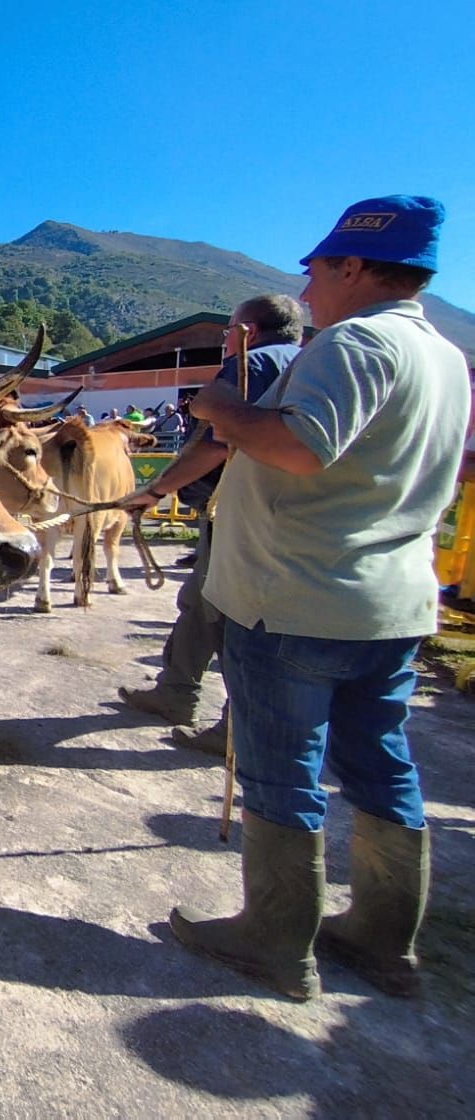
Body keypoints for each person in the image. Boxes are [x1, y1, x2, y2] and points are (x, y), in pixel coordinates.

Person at [165, 196, 464, 1001]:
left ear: (354, 266)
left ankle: (275, 943)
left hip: (297, 599)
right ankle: (383, 940)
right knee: (380, 767)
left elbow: (300, 448)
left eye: (318, 269)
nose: (306, 287)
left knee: (281, 777)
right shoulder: (444, 357)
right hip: (388, 604)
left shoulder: (356, 343)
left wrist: (221, 410)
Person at [116, 297, 303, 753]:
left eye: (227, 332)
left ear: (247, 332)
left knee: (231, 615)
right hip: (280, 516)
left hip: (239, 515)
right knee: (200, 602)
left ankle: (237, 726)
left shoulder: (251, 364)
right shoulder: (308, 364)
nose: (225, 341)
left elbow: (217, 444)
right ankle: (176, 692)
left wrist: (155, 491)